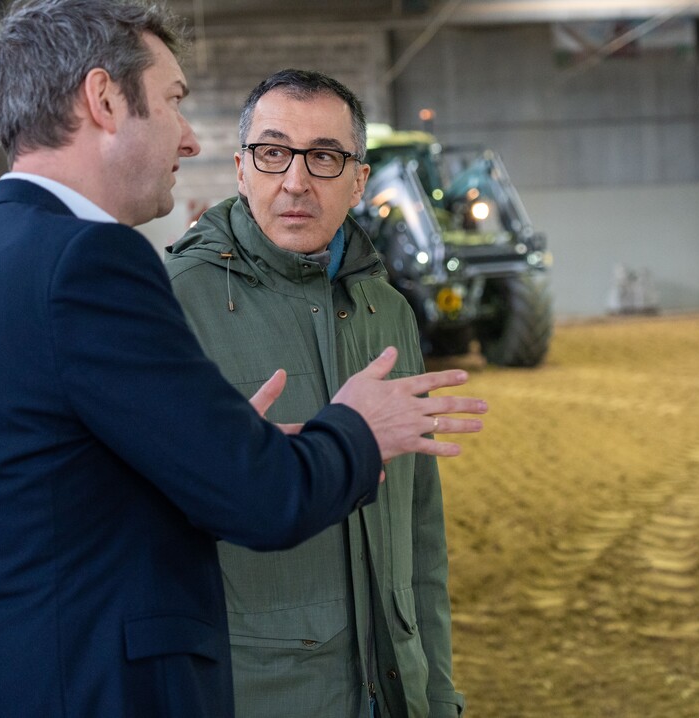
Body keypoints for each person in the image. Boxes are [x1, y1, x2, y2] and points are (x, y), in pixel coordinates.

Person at [0, 2, 486, 716]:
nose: (188, 136)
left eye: (324, 157)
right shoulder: (93, 265)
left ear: (357, 178)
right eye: (173, 100)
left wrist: (212, 449)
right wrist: (352, 429)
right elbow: (262, 499)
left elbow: (52, 496)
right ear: (104, 100)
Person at [164, 69, 464, 718]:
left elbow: (420, 530)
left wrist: (436, 694)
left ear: (359, 180)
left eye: (324, 157)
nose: (296, 181)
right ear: (241, 170)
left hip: (393, 689)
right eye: (273, 153)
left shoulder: (387, 311)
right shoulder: (174, 305)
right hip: (259, 696)